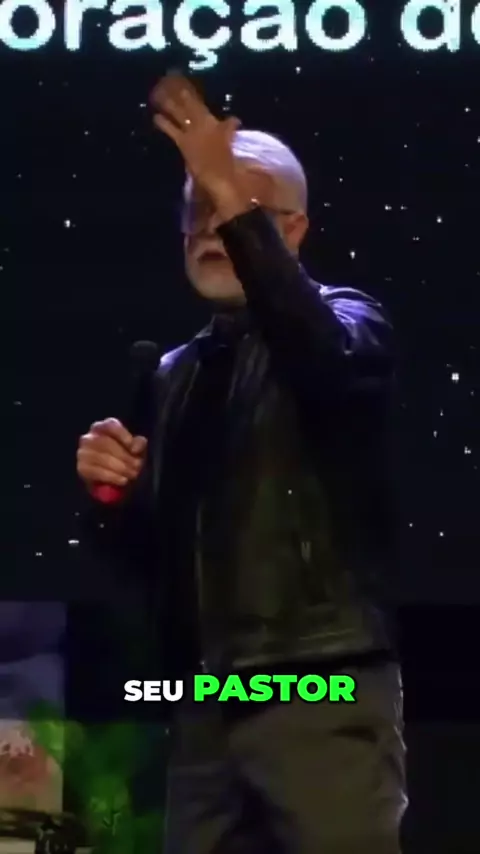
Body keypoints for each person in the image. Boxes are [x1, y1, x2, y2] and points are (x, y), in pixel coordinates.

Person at [76, 72, 407, 854]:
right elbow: (149, 563)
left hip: (319, 677)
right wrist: (111, 496)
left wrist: (227, 189)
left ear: (292, 230)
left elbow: (324, 361)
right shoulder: (174, 375)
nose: (211, 228)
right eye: (197, 213)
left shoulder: (349, 319)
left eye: (233, 208)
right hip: (207, 694)